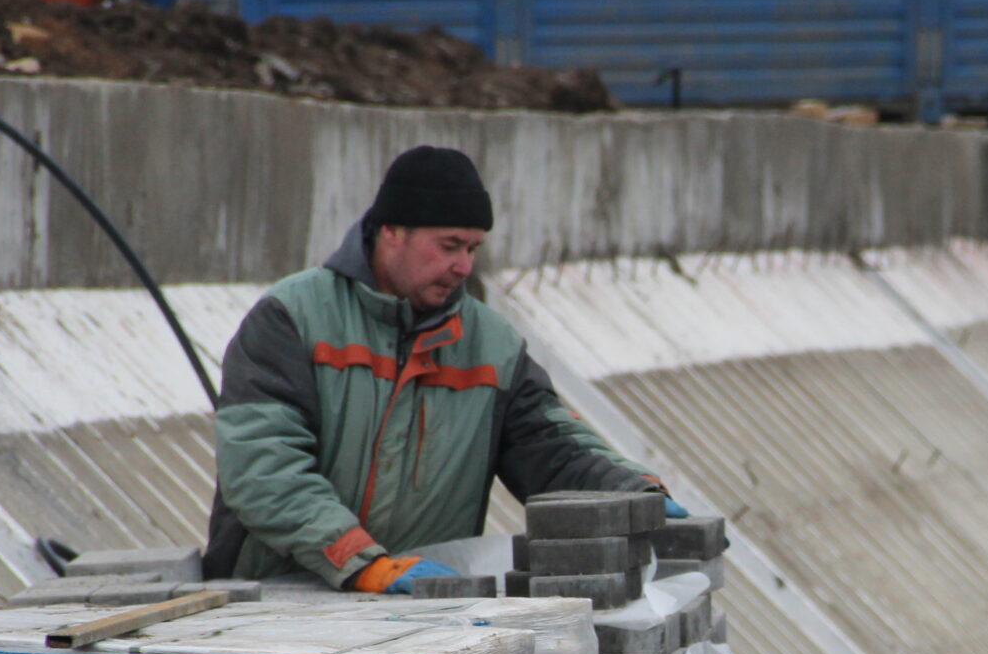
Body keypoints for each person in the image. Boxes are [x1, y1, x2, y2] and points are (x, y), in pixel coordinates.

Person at [202, 145, 668, 590]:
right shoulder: (291, 318)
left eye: (473, 249)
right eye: (449, 246)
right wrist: (360, 562)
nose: (463, 266)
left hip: (420, 613)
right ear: (392, 231)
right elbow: (263, 466)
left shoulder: (494, 347)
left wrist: (634, 491)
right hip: (272, 606)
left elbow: (554, 450)